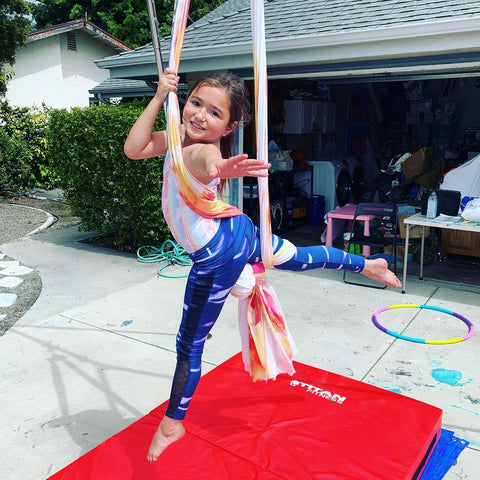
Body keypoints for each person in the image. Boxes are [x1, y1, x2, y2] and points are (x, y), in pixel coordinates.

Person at [124, 68, 402, 462]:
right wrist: (157, 99)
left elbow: (206, 162)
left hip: (217, 254)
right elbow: (133, 149)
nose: (201, 115)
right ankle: (366, 265)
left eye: (214, 113)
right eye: (196, 103)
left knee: (190, 345)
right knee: (299, 257)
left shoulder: (201, 150)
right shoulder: (174, 139)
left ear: (229, 125)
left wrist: (222, 169)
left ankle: (173, 422)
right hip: (238, 230)